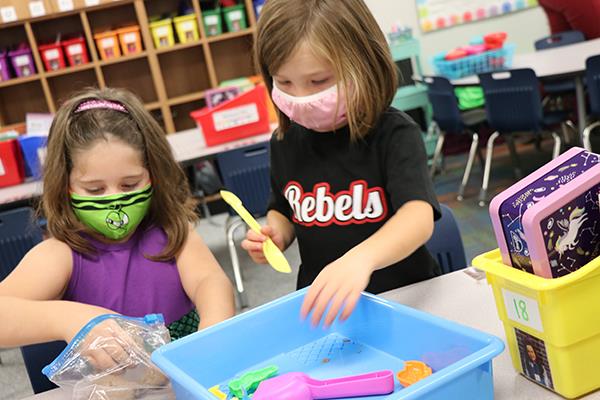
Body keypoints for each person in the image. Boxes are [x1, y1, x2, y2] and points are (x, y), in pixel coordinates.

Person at [0, 88, 235, 366]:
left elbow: (212, 282)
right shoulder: (60, 255)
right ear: (66, 186)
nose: (115, 199)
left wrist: (212, 329)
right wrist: (68, 318)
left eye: (130, 184)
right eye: (95, 189)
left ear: (153, 176)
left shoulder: (173, 233)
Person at [242, 0, 441, 327]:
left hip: (404, 301)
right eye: (285, 83)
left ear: (363, 64)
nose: (302, 98)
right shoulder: (284, 141)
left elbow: (418, 217)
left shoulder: (394, 134)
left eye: (318, 81)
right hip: (332, 311)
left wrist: (362, 258)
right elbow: (283, 207)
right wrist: (275, 232)